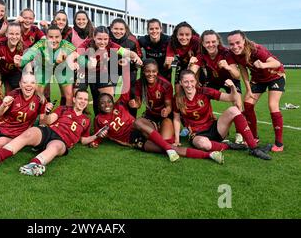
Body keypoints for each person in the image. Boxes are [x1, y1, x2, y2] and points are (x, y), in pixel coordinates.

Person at [0, 89, 96, 176]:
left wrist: (96, 136)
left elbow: (83, 139)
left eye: (85, 99)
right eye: (80, 98)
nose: (83, 101)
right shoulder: (63, 108)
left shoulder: (86, 119)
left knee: (55, 147)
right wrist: (47, 112)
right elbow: (47, 121)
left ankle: (32, 165)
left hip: (61, 141)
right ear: (74, 99)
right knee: (29, 133)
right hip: (49, 131)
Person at [93, 93, 225, 164]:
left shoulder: (119, 106)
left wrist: (126, 63)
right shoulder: (98, 119)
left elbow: (127, 87)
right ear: (98, 105)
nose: (106, 104)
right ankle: (210, 154)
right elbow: (98, 136)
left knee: (138, 122)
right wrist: (96, 141)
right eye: (102, 103)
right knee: (171, 148)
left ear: (113, 102)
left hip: (145, 125)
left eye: (109, 101)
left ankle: (168, 146)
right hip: (134, 139)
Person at [172, 70, 272, 160]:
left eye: (192, 81)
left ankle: (254, 148)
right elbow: (176, 119)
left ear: (196, 81)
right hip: (197, 134)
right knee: (203, 144)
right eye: (186, 82)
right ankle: (228, 145)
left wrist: (232, 88)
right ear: (181, 83)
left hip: (215, 128)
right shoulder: (177, 98)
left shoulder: (204, 91)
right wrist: (176, 140)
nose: (189, 85)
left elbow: (231, 98)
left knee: (233, 110)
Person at [227, 30, 286, 152]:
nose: (235, 46)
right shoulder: (234, 53)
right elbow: (243, 70)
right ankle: (254, 137)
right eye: (231, 44)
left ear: (244, 40)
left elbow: (276, 63)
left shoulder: (256, 49)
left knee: (272, 105)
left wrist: (263, 65)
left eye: (238, 42)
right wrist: (248, 89)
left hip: (275, 75)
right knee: (248, 104)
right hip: (258, 79)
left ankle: (279, 144)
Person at [68, 26, 143, 115]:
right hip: (84, 72)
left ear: (108, 38)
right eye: (99, 39)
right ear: (94, 37)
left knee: (109, 98)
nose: (103, 42)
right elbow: (71, 56)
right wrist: (72, 64)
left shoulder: (111, 45)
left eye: (105, 39)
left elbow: (128, 53)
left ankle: (106, 122)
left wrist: (136, 57)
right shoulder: (87, 44)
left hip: (101, 73)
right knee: (78, 98)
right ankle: (75, 121)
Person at [189, 30, 243, 143]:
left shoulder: (226, 53)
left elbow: (237, 76)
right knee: (202, 97)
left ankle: (240, 133)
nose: (211, 44)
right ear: (203, 43)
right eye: (207, 42)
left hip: (230, 80)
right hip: (214, 79)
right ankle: (209, 125)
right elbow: (192, 72)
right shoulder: (201, 55)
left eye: (213, 41)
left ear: (218, 41)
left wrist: (227, 67)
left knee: (237, 102)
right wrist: (191, 66)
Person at [120, 58, 174, 143]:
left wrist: (166, 110)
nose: (151, 74)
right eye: (147, 71)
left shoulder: (166, 85)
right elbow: (139, 104)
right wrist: (134, 104)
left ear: (157, 71)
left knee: (165, 141)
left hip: (164, 117)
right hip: (150, 117)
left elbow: (169, 106)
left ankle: (160, 131)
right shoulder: (139, 83)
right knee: (137, 123)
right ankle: (154, 132)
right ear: (143, 71)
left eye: (154, 71)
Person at [20, 24, 76, 106]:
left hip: (61, 69)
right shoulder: (40, 44)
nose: (54, 40)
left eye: (57, 37)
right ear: (46, 37)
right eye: (51, 37)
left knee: (69, 95)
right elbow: (27, 56)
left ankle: (65, 116)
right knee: (38, 93)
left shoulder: (65, 44)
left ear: (61, 37)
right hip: (44, 68)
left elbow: (76, 55)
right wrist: (20, 60)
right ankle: (41, 114)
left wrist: (73, 61)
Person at [109, 18, 142, 117]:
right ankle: (107, 118)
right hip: (112, 67)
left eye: (121, 29)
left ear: (125, 30)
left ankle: (131, 118)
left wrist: (128, 61)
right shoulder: (107, 37)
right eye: (116, 29)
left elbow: (139, 57)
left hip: (129, 68)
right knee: (109, 93)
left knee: (131, 93)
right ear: (111, 28)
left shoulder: (132, 40)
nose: (118, 32)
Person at [0, 22, 24, 93]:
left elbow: (25, 66)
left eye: (17, 34)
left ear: (20, 35)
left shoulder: (23, 47)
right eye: (11, 34)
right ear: (6, 34)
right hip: (0, 71)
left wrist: (20, 63)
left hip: (14, 72)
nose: (14, 37)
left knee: (16, 91)